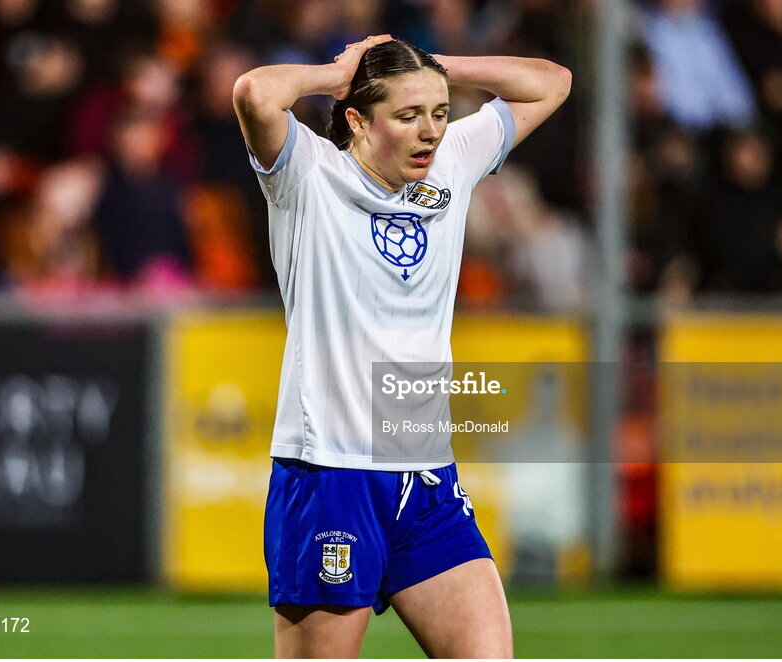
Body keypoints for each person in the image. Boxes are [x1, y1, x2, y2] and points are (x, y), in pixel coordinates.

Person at [232, 35, 570, 658]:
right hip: (331, 473)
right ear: (357, 119)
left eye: (440, 113)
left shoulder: (452, 163)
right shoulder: (308, 174)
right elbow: (254, 91)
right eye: (409, 116)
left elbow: (552, 81)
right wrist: (338, 73)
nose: (431, 132)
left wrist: (438, 69)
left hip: (425, 481)